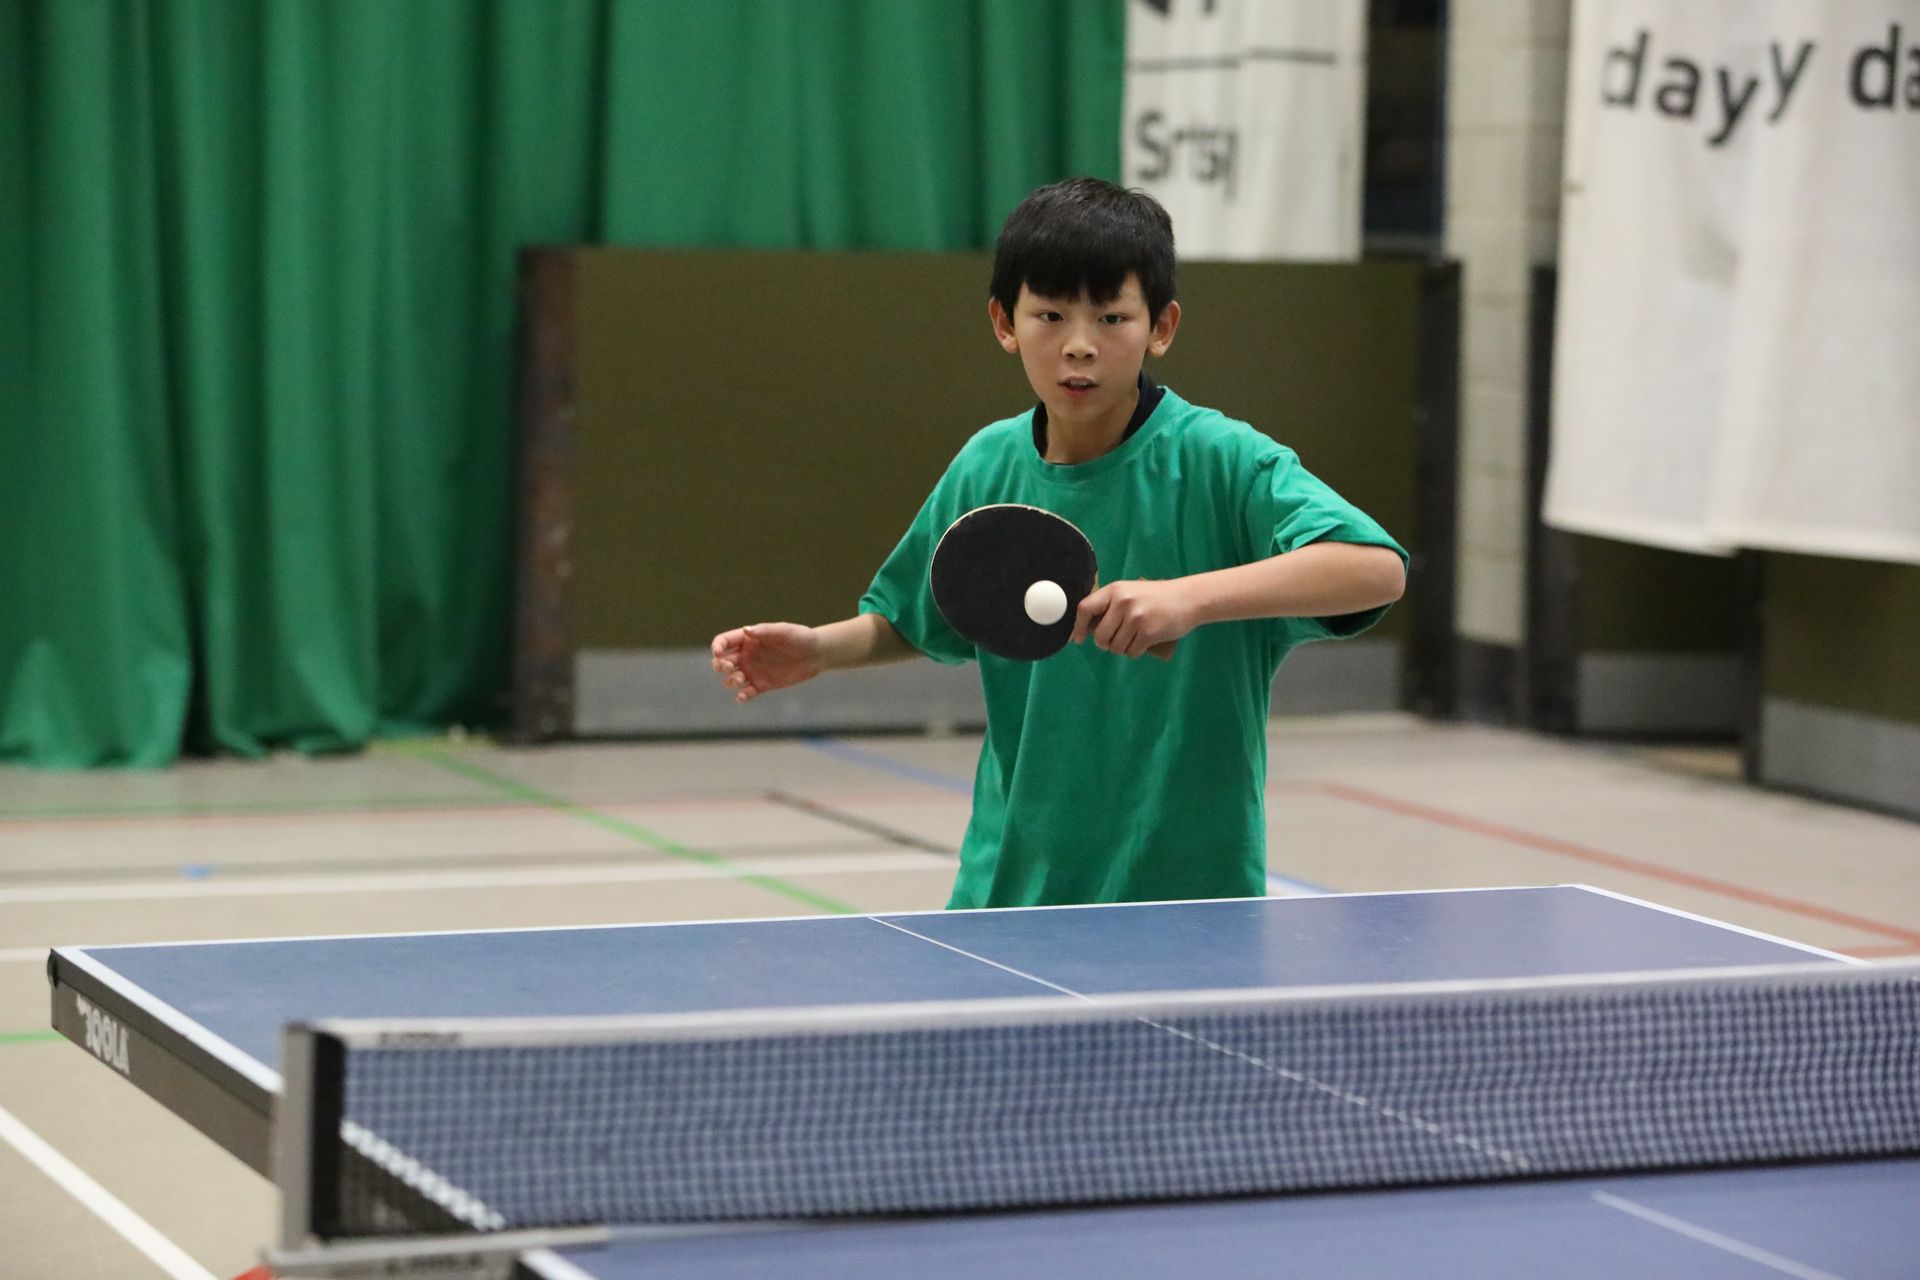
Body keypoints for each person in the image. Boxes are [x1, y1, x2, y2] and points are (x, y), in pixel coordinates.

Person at [711, 178, 1407, 910]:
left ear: (1161, 326)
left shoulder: (1224, 461)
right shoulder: (989, 465)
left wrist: (1190, 598)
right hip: (1011, 891)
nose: (1080, 345)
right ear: (1004, 322)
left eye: (1112, 317)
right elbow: (923, 614)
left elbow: (1376, 568)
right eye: (1049, 315)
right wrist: (819, 650)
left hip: (1189, 902)